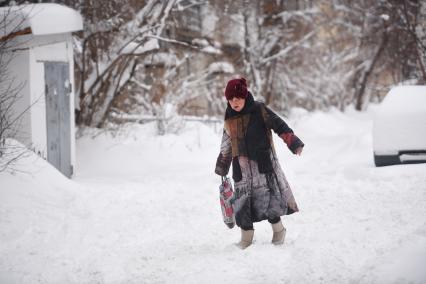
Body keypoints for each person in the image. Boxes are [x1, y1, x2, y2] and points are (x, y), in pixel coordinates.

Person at [215, 77, 304, 249]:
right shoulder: (229, 117)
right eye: (231, 99)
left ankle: (279, 231)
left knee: (269, 203)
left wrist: (293, 142)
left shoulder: (259, 109)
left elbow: (279, 125)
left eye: (238, 98)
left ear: (245, 96)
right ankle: (246, 238)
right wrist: (222, 166)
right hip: (240, 169)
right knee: (242, 205)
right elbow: (226, 142)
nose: (235, 102)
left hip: (263, 167)